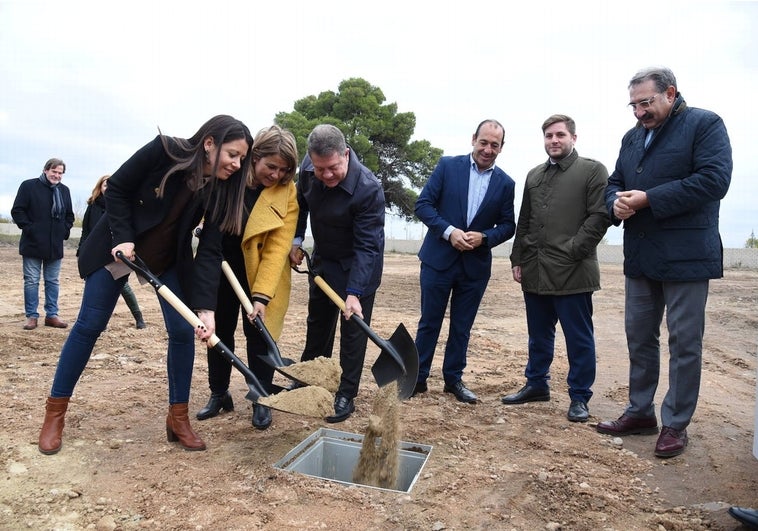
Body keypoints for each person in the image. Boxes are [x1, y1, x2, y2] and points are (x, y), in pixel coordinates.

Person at [37, 115, 253, 454]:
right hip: (118, 249)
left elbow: (210, 250)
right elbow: (119, 187)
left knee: (183, 332)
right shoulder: (164, 151)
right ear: (210, 143)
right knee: (89, 325)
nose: (237, 164)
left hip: (165, 259)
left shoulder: (221, 189)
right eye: (233, 154)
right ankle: (55, 414)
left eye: (242, 158)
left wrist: (206, 309)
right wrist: (124, 238)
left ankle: (178, 417)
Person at [596, 67, 732, 458]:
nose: (639, 112)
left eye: (646, 102)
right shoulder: (632, 137)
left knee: (684, 342)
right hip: (641, 255)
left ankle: (675, 423)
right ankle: (640, 412)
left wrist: (648, 199)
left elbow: (714, 180)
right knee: (639, 337)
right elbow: (615, 181)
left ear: (670, 93)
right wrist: (615, 202)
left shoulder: (704, 125)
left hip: (688, 257)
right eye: (633, 104)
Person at [500, 114, 610, 422]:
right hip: (535, 270)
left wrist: (575, 250)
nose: (554, 140)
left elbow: (600, 216)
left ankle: (579, 397)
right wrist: (517, 258)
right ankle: (536, 384)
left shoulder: (592, 170)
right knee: (538, 334)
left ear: (573, 137)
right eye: (549, 136)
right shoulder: (534, 176)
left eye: (560, 135)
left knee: (578, 338)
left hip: (574, 272)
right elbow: (525, 221)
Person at [196, 125, 299, 430]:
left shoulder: (287, 193)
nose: (276, 175)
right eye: (271, 166)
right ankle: (219, 394)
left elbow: (278, 247)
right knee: (219, 334)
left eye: (284, 169)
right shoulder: (232, 181)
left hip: (260, 274)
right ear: (255, 157)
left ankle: (261, 398)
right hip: (223, 268)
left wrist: (261, 297)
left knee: (258, 336)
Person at [413, 119, 516, 403]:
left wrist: (484, 237)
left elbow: (508, 225)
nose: (488, 149)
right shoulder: (447, 166)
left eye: (495, 145)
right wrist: (449, 232)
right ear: (474, 139)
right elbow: (423, 205)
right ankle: (417, 379)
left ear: (501, 148)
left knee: (462, 327)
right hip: (438, 260)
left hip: (475, 268)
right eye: (484, 142)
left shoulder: (506, 184)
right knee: (429, 322)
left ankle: (453, 380)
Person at [288, 124, 385, 423]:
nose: (326, 175)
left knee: (353, 334)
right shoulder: (308, 170)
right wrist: (296, 239)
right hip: (323, 262)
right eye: (319, 169)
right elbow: (300, 204)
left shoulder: (368, 189)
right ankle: (311, 379)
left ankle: (346, 392)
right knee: (317, 325)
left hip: (358, 267)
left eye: (332, 168)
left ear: (346, 154)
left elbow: (367, 247)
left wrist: (354, 293)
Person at [11, 158, 75, 330]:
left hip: (54, 245)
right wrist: (30, 229)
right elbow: (17, 210)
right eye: (54, 171)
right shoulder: (28, 186)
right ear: (46, 170)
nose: (57, 175)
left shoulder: (64, 190)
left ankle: (52, 315)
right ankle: (31, 316)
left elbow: (69, 216)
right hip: (32, 243)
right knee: (31, 281)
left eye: (60, 173)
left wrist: (64, 230)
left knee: (52, 281)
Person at [78, 174, 146, 329]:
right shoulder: (92, 206)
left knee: (124, 288)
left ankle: (138, 317)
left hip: (116, 255)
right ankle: (95, 322)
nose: (107, 188)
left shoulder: (119, 205)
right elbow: (86, 231)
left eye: (110, 185)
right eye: (104, 185)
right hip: (95, 254)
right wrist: (82, 250)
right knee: (93, 290)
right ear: (99, 188)